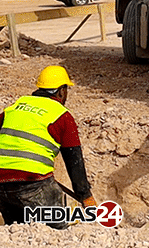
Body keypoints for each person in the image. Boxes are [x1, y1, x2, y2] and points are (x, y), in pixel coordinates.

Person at [0, 66, 96, 228]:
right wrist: (85, 195)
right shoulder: (62, 116)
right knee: (56, 229)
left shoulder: (14, 107)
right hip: (32, 184)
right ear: (61, 91)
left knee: (16, 228)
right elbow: (74, 162)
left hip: (1, 184)